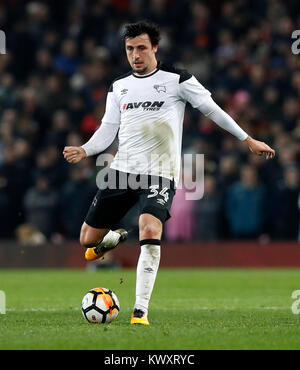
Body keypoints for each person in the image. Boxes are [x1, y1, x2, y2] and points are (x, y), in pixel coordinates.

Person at [63, 21, 275, 325]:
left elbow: (212, 109)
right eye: (129, 49)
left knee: (149, 228)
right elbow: (108, 129)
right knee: (87, 240)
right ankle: (110, 239)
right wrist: (85, 149)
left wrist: (247, 139)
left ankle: (140, 310)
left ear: (155, 48)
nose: (135, 55)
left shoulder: (177, 79)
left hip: (160, 173)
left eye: (141, 48)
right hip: (122, 172)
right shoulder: (119, 86)